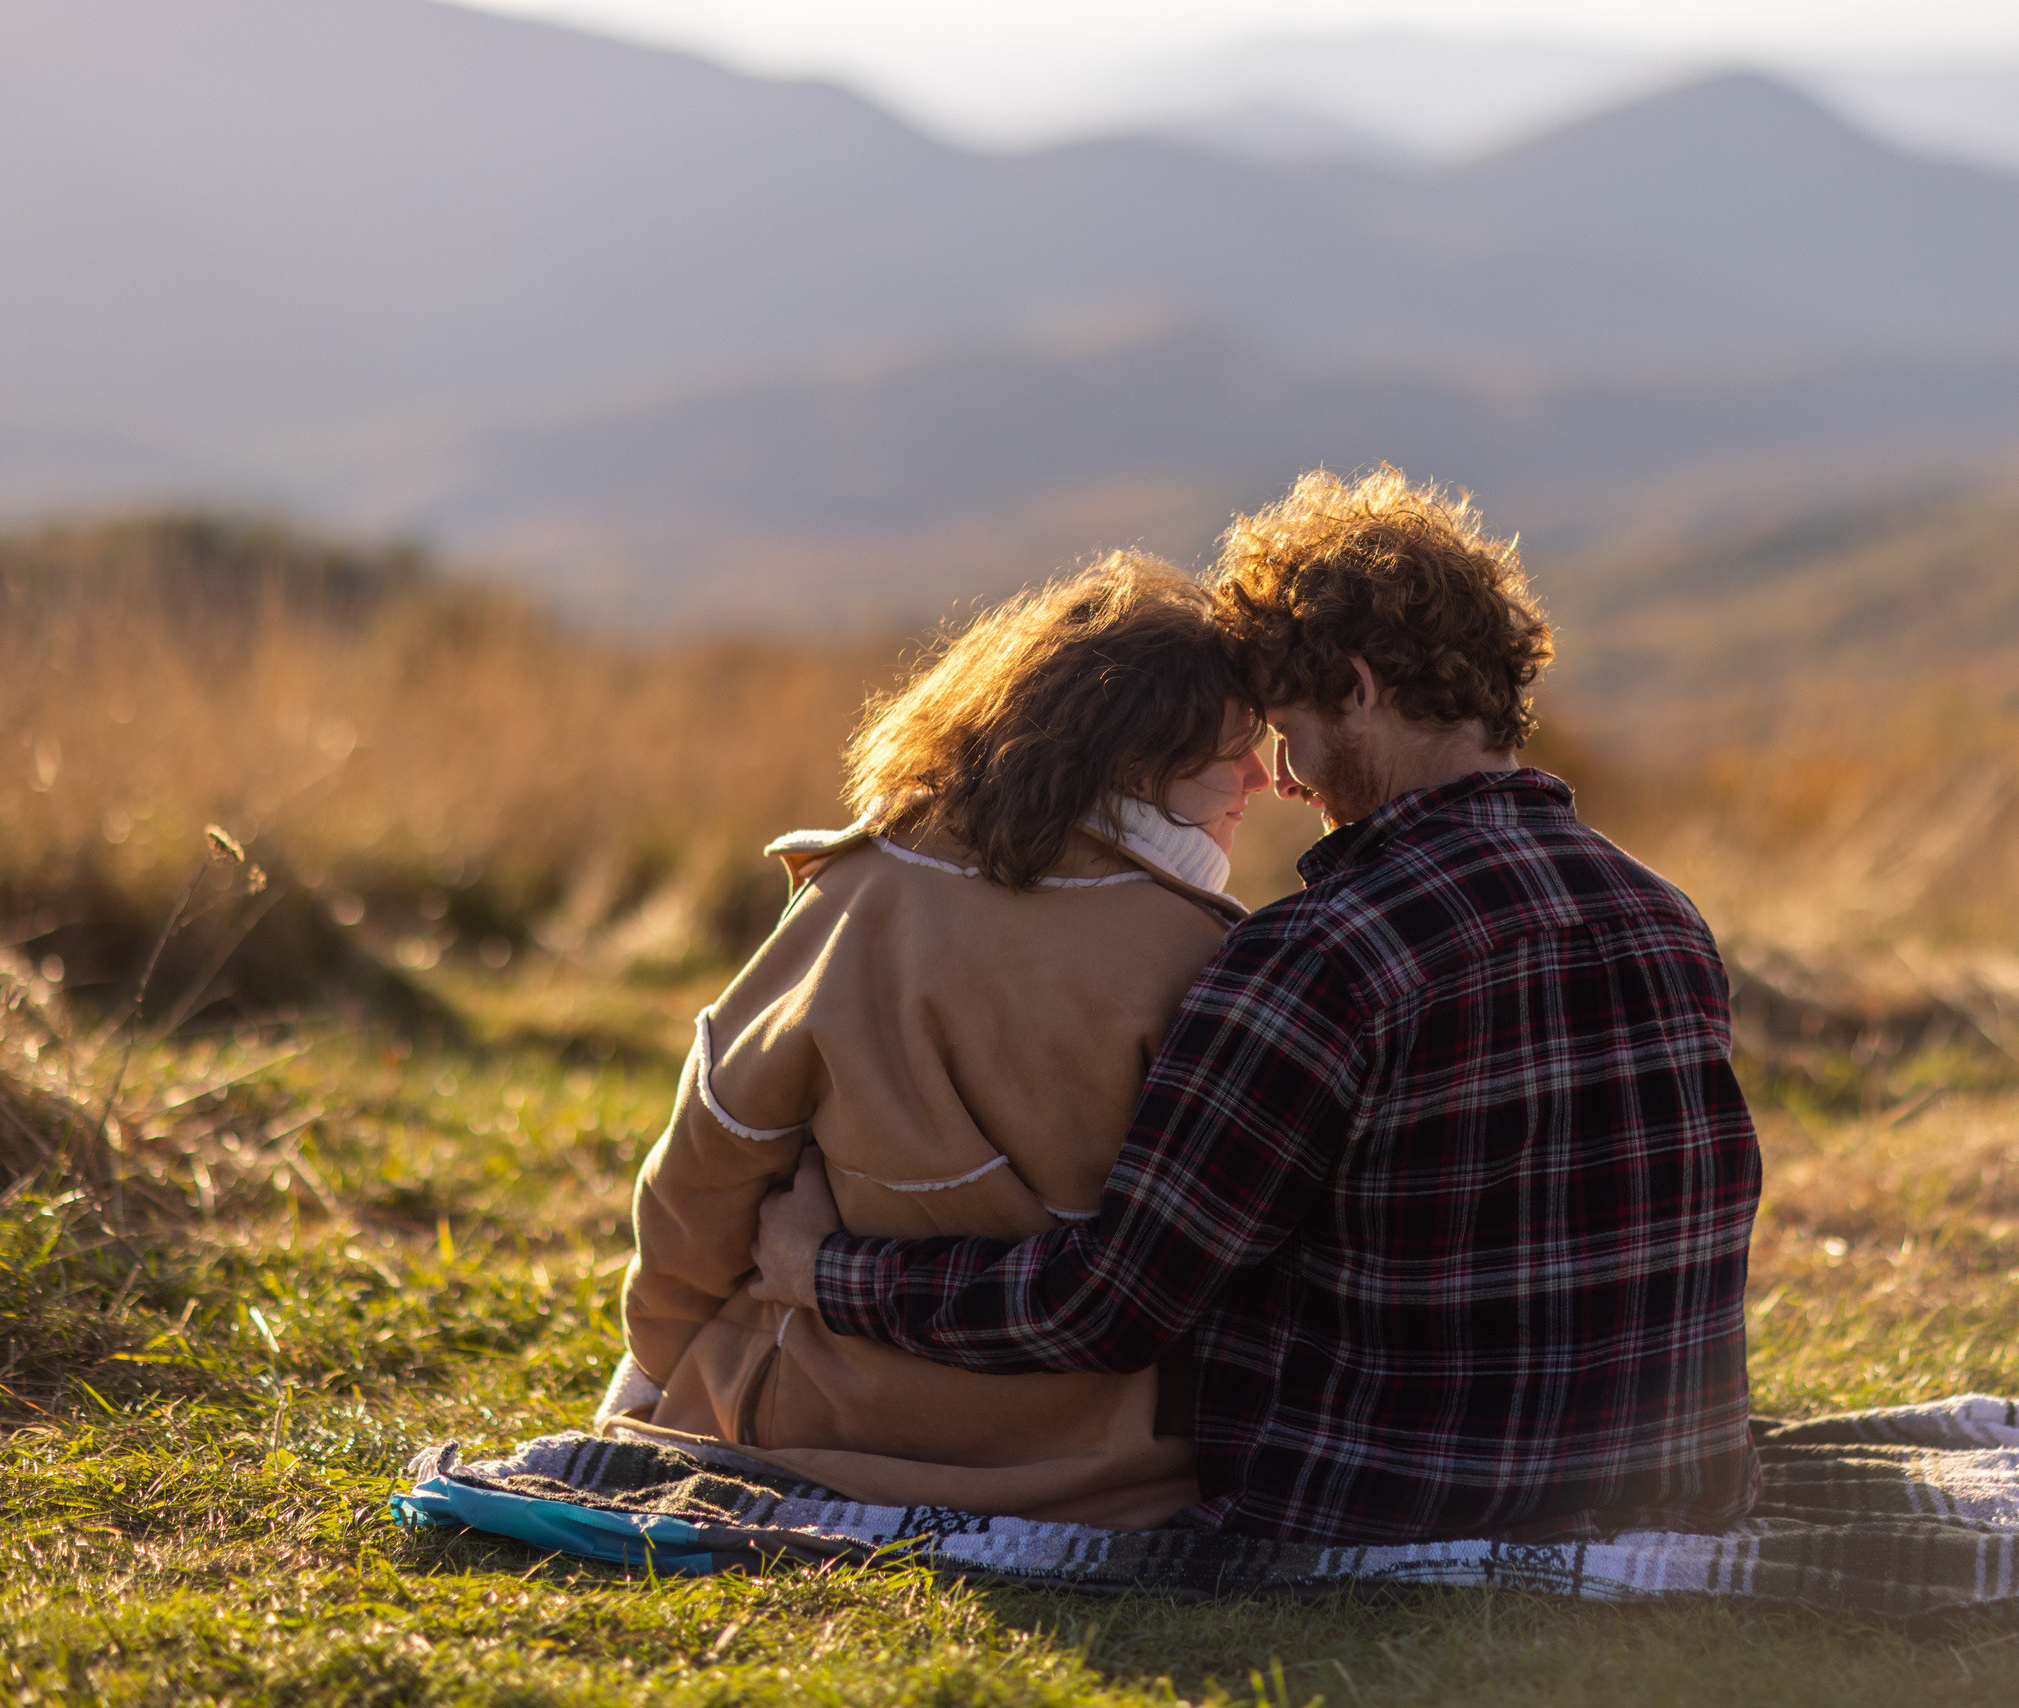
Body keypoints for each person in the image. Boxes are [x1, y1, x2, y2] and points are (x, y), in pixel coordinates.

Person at [751, 466, 1763, 1546]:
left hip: (1384, 1503)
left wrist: (824, 1269)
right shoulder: (1661, 914)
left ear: (1362, 688)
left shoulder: (1319, 956)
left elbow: (1105, 1304)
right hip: (1671, 1487)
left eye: (1285, 727)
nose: (1279, 778)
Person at [600, 553, 1272, 1530]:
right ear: (1135, 763)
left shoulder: (858, 894)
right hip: (1103, 1476)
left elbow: (707, 1168)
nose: (1264, 774)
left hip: (819, 1434)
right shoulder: (1214, 953)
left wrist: (660, 1364)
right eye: (1231, 749)